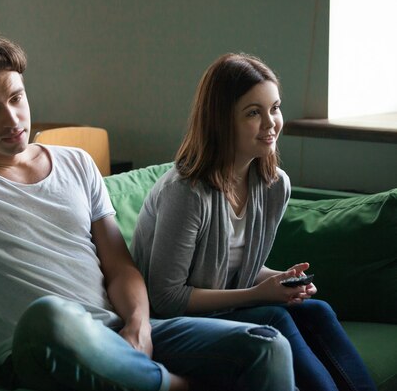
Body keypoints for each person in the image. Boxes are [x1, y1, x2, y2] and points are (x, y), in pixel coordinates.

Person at [0, 33, 295, 391]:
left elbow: (120, 265)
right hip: (42, 344)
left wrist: (138, 325)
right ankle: (168, 385)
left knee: (266, 346)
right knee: (49, 315)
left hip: (116, 334)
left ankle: (144, 374)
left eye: (16, 98)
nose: (11, 118)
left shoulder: (75, 162)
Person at [130, 53, 377, 391]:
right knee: (273, 317)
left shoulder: (275, 185)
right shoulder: (186, 192)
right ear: (221, 121)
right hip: (170, 325)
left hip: (221, 312)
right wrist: (258, 295)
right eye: (253, 113)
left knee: (317, 311)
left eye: (274, 108)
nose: (271, 122)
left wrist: (282, 281)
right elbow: (166, 298)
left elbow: (233, 268)